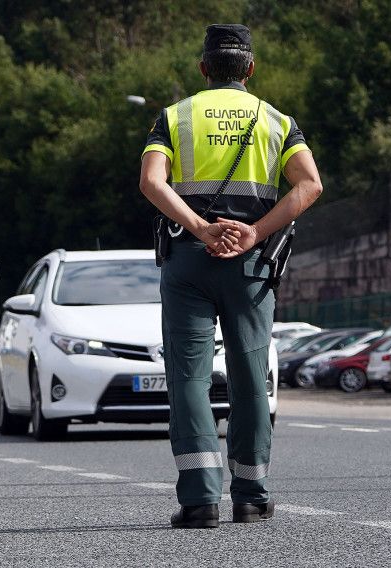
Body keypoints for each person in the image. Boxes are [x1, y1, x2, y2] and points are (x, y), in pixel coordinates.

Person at [139, 24, 324, 528]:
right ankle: (250, 494)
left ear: (203, 68)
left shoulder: (174, 117)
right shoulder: (277, 120)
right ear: (250, 69)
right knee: (249, 378)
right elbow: (310, 184)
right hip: (250, 264)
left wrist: (200, 228)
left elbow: (151, 181)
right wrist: (254, 232)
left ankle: (199, 500)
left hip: (188, 262)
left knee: (189, 379)